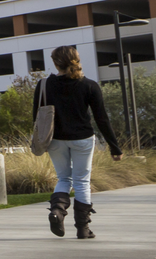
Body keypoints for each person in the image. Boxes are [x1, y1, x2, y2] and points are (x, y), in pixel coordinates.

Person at [35, 46, 122, 240]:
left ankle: (57, 211)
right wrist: (114, 147)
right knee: (82, 181)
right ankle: (83, 229)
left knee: (64, 178)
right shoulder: (89, 85)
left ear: (56, 63)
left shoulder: (43, 85)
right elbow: (102, 119)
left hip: (55, 140)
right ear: (76, 60)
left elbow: (37, 117)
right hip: (82, 139)